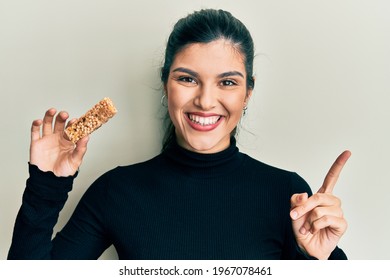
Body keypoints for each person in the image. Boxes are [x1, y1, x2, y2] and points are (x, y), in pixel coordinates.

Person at [8, 9, 350, 260]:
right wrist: (46, 185)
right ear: (166, 84)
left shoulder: (290, 197)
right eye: (187, 78)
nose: (204, 100)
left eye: (227, 82)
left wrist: (320, 262)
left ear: (247, 93)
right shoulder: (117, 192)